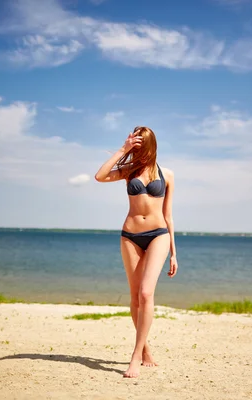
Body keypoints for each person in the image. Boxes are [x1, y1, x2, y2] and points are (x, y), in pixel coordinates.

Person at [95, 126, 178, 378]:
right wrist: (124, 149)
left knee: (145, 292)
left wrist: (174, 253)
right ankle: (146, 350)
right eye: (135, 145)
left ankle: (134, 356)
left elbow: (168, 215)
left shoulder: (168, 174)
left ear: (151, 145)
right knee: (134, 297)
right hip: (130, 236)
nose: (138, 150)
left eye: (141, 145)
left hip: (158, 235)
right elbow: (100, 176)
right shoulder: (129, 170)